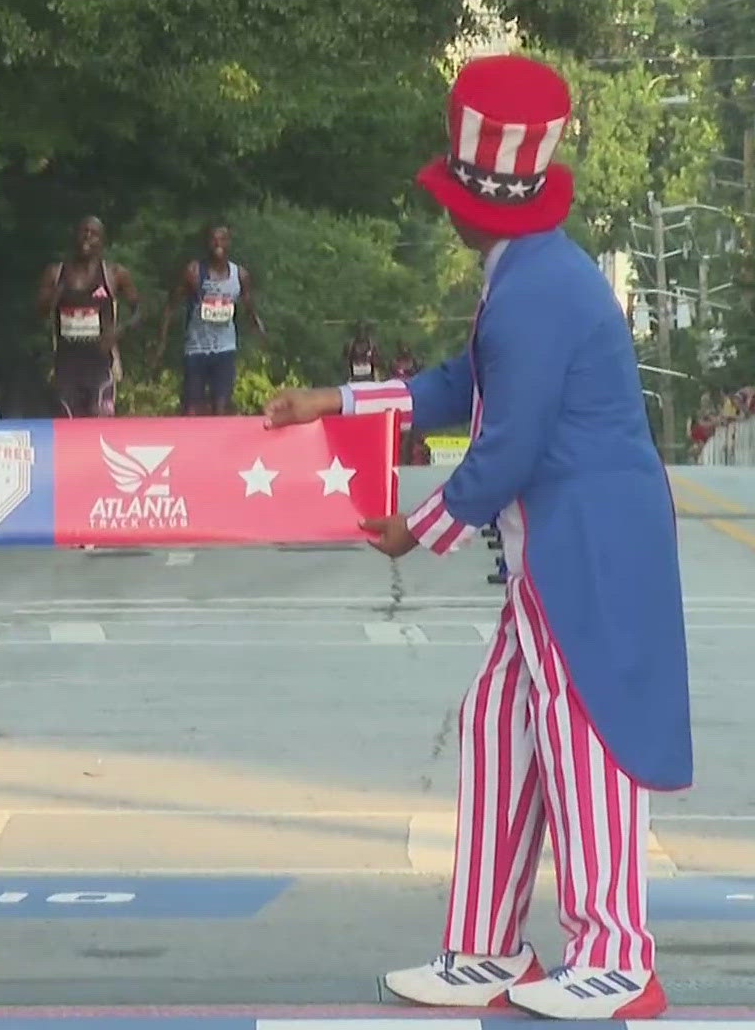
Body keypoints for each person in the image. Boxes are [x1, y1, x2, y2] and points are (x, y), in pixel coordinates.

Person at [264, 53, 688, 1020]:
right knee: (502, 723)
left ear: (475, 205)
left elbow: (508, 442)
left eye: (449, 192)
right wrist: (336, 401)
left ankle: (619, 957)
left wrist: (416, 529)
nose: (442, 207)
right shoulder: (530, 271)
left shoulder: (537, 287)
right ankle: (490, 948)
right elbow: (464, 384)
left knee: (588, 738)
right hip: (560, 547)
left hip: (589, 546)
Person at [38, 216, 142, 417]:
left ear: (102, 242)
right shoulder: (55, 273)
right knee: (68, 424)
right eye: (83, 232)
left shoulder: (113, 274)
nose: (87, 237)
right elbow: (40, 313)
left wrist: (119, 331)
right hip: (66, 365)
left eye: (94, 234)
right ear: (74, 237)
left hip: (100, 365)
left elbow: (138, 309)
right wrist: (54, 296)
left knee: (99, 424)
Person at [164, 223, 264, 414]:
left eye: (223, 239)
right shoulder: (194, 271)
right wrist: (162, 340)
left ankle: (217, 441)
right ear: (207, 243)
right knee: (192, 408)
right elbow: (172, 304)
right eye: (213, 239)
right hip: (196, 349)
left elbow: (249, 305)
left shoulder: (239, 275)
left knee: (221, 406)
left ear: (229, 243)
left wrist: (256, 324)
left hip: (225, 349)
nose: (218, 244)